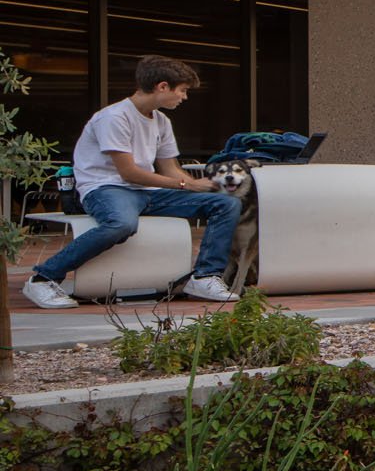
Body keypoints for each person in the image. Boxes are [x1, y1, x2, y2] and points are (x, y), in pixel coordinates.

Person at [23, 56, 242, 309]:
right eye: (182, 91)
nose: (184, 97)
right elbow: (129, 173)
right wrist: (188, 186)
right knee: (121, 224)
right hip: (105, 189)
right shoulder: (114, 117)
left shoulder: (161, 121)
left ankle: (204, 276)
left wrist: (209, 186)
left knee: (224, 204)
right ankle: (43, 278)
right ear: (162, 87)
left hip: (147, 193)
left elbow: (170, 169)